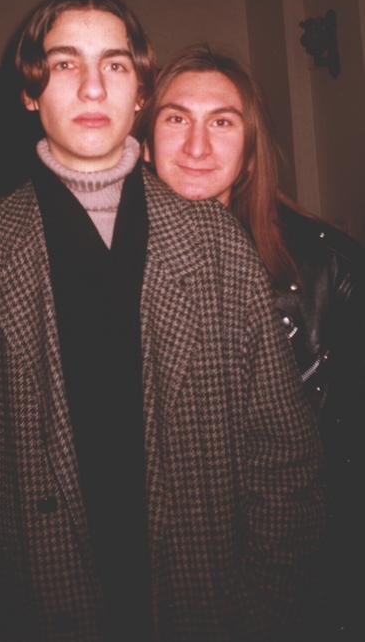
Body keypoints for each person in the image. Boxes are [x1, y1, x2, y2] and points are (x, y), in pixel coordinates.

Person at [0, 0, 323, 641]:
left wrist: (265, 603)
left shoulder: (218, 245)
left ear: (140, 93)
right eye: (65, 63)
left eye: (116, 65)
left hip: (207, 607)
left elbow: (283, 452)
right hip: (38, 607)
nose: (93, 87)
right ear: (30, 91)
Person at [139, 42, 365, 641]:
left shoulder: (332, 268)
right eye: (176, 119)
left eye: (222, 123)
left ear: (248, 154)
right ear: (145, 142)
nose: (197, 147)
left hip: (301, 576)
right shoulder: (104, 270)